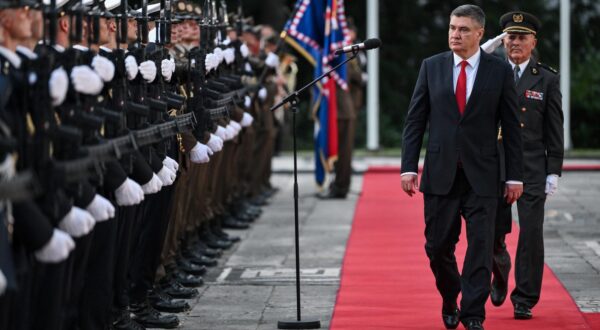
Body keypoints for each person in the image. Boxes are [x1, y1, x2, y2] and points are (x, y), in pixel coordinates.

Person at [400, 5, 524, 330]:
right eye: (453, 28)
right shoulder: (432, 67)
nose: (456, 34)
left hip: (483, 175)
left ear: (480, 34)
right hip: (440, 173)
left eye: (464, 29)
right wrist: (408, 167)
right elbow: (415, 120)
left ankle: (473, 314)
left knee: (481, 248)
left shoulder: (498, 71)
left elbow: (511, 127)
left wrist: (514, 176)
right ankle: (449, 295)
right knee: (437, 246)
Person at [489, 11, 564, 320]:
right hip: (495, 162)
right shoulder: (490, 70)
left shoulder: (546, 77)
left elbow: (554, 127)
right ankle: (499, 264)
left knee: (531, 233)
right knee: (491, 229)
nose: (515, 42)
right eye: (511, 36)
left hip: (532, 164)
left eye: (522, 37)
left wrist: (554, 171)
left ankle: (525, 298)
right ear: (503, 39)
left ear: (534, 41)